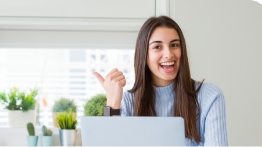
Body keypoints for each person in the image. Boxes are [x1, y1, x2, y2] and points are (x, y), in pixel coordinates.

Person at [93, 16, 228, 146]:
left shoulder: (210, 96)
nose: (169, 54)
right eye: (157, 47)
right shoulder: (128, 101)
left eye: (174, 45)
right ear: (144, 55)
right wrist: (111, 103)